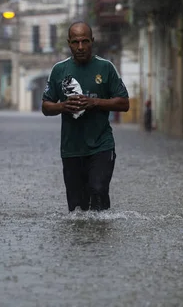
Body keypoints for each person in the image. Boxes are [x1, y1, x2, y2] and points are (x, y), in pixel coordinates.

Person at [42, 22, 130, 212]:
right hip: (71, 148)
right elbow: (45, 106)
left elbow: (124, 103)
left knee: (98, 191)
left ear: (92, 41)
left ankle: (102, 235)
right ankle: (83, 241)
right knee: (77, 209)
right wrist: (63, 106)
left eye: (85, 41)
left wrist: (95, 103)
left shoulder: (106, 68)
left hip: (101, 145)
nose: (80, 47)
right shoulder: (59, 70)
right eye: (75, 42)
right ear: (69, 43)